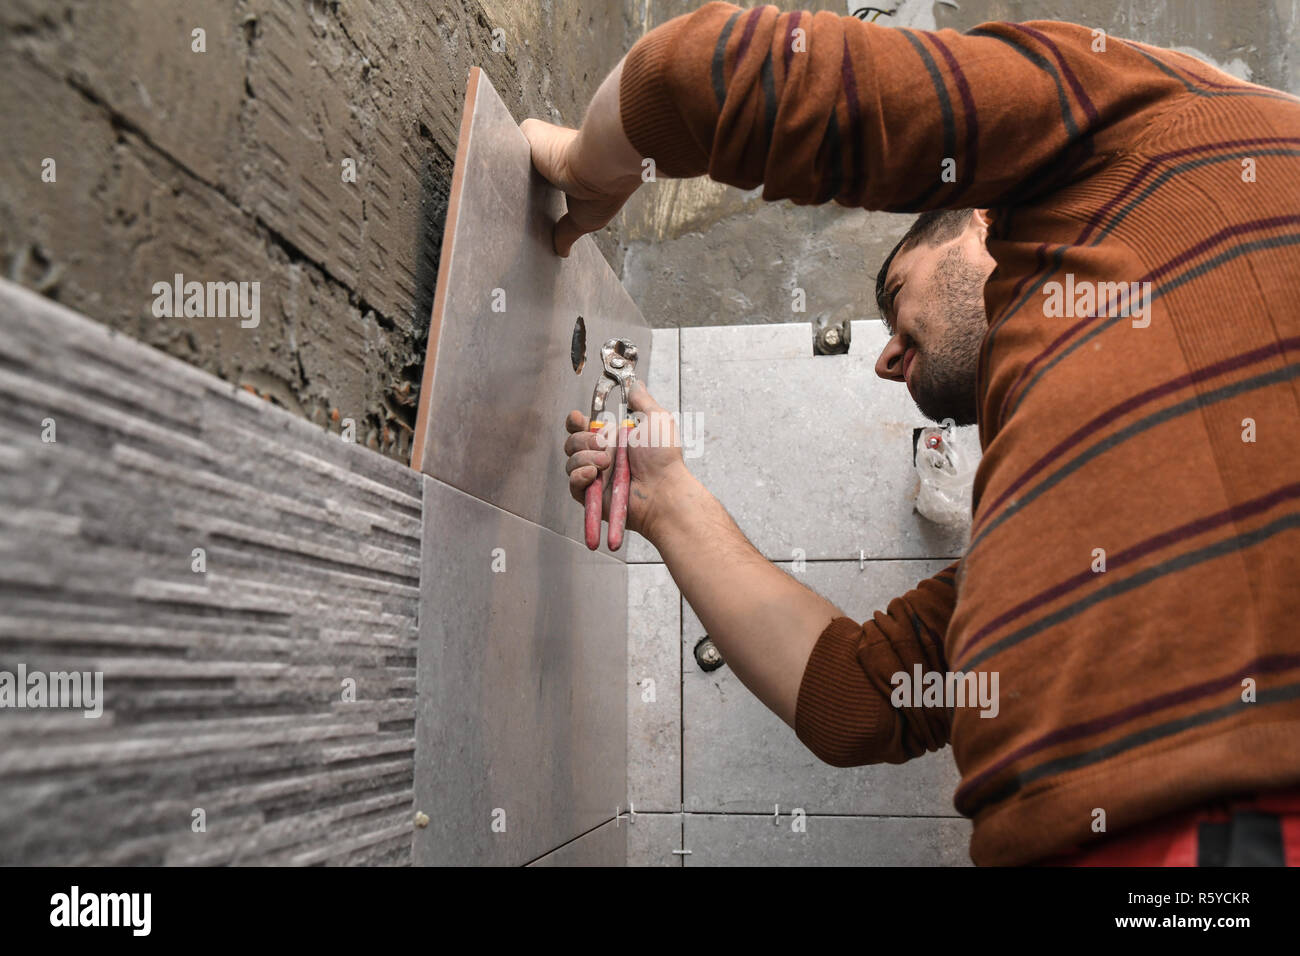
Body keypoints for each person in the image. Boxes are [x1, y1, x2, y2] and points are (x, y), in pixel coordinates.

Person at [521, 2, 1300, 866]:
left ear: (976, 213)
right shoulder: (1057, 547)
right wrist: (665, 497)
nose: (888, 360)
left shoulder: (1164, 119)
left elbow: (706, 75)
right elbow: (856, 703)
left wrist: (584, 168)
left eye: (895, 299)